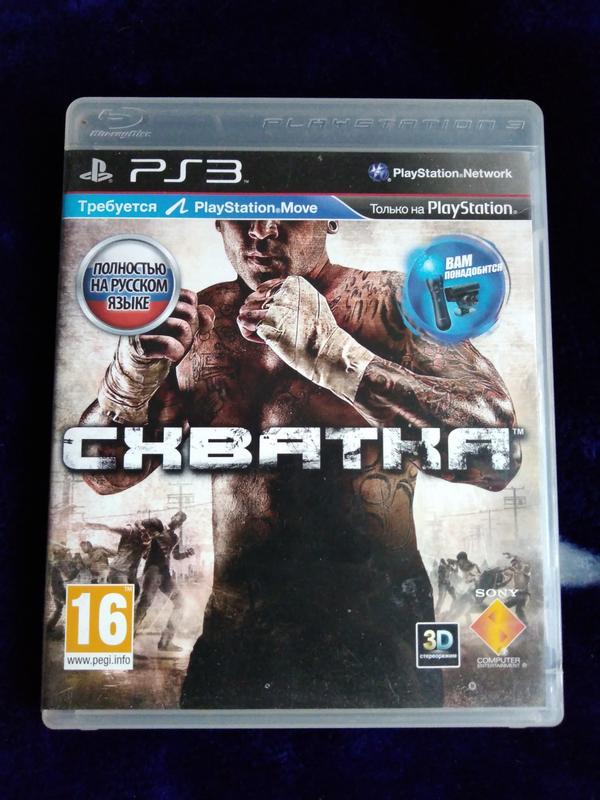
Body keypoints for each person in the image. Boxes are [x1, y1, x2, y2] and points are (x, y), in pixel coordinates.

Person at [81, 219, 519, 708]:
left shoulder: (394, 306)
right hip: (238, 642)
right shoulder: (197, 325)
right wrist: (126, 386)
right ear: (217, 218)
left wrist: (338, 355)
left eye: (289, 208)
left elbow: (497, 453)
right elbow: (103, 475)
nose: (262, 229)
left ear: (331, 217)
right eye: (244, 209)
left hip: (379, 641)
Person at [134, 512, 194, 652]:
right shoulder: (157, 525)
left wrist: (187, 554)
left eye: (181, 522)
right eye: (178, 518)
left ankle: (165, 642)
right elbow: (138, 522)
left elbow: (176, 555)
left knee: (180, 602)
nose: (178, 522)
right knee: (144, 604)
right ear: (172, 517)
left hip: (165, 573)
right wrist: (144, 531)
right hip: (153, 569)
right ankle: (125, 638)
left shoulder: (175, 537)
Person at [83, 517, 163, 595]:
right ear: (147, 529)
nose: (151, 537)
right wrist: (86, 525)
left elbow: (145, 556)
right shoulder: (131, 531)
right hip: (118, 570)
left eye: (154, 535)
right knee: (125, 594)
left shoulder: (147, 540)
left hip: (131, 574)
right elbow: (108, 527)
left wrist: (146, 547)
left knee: (136, 592)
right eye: (151, 533)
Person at [46, 543, 82, 634]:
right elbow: (68, 576)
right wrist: (78, 568)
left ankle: (49, 628)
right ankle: (76, 628)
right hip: (58, 590)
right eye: (63, 550)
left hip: (54, 588)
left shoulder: (54, 561)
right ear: (57, 552)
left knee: (58, 609)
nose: (65, 551)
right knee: (73, 605)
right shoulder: (59, 562)